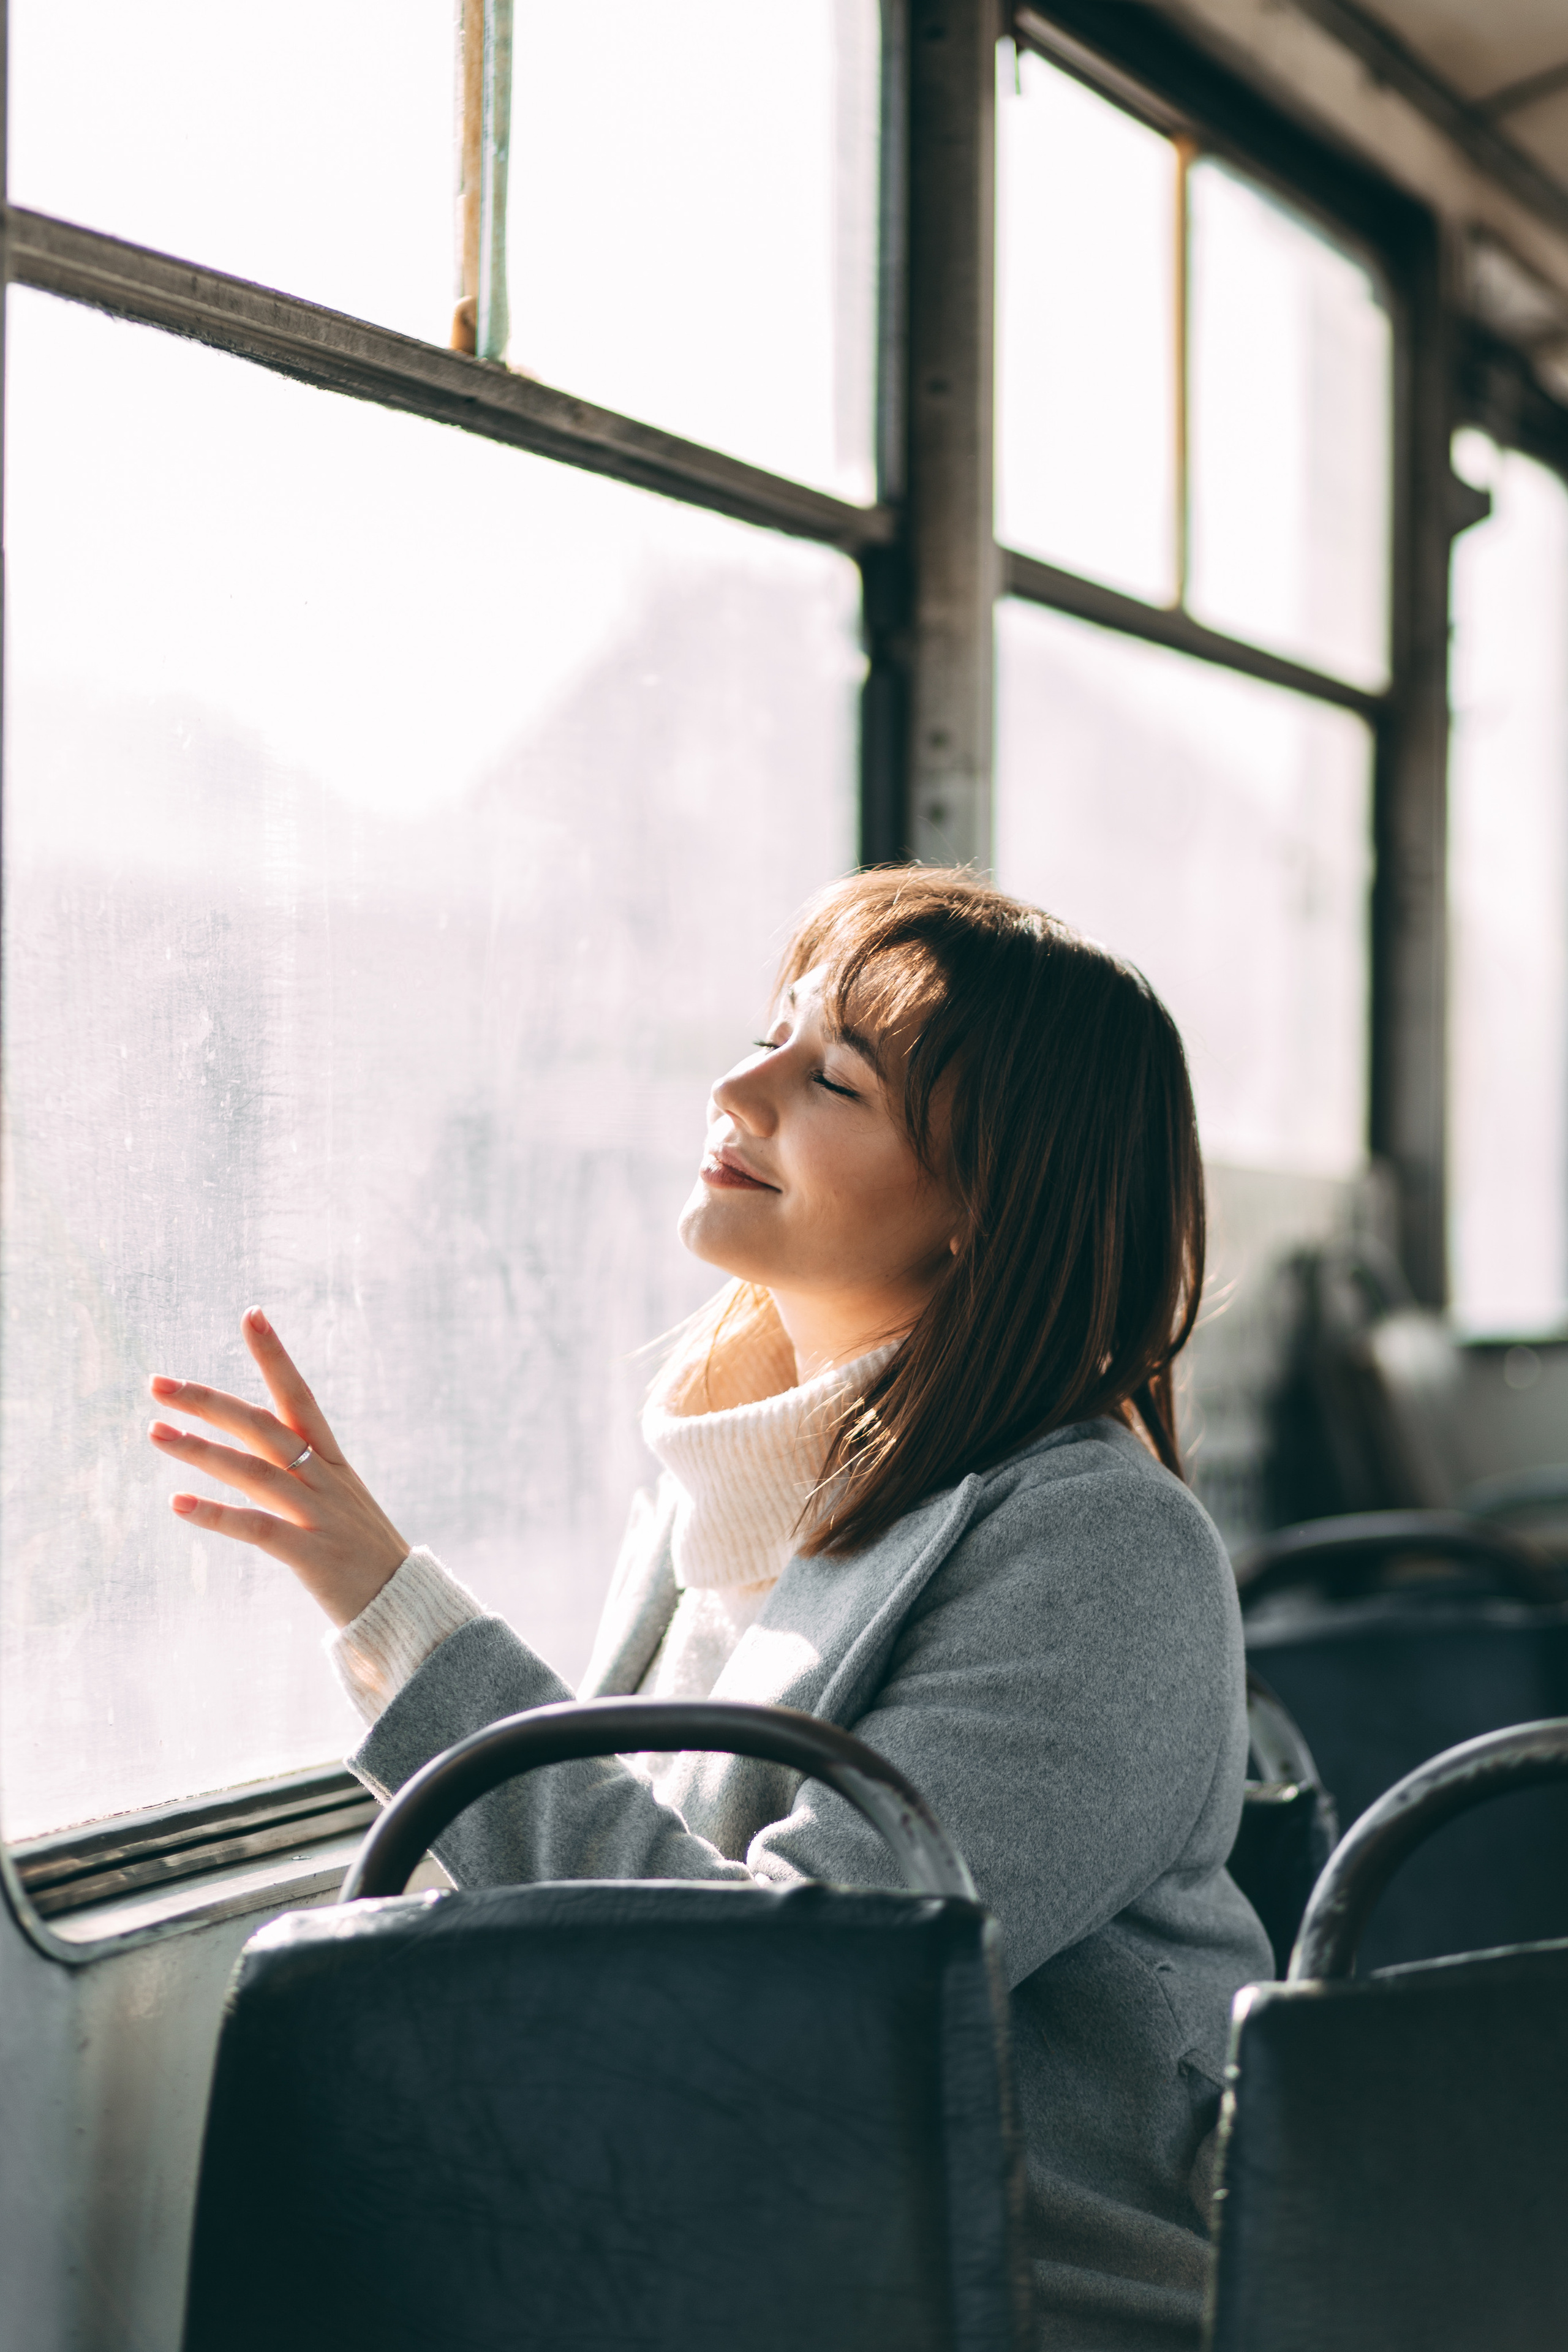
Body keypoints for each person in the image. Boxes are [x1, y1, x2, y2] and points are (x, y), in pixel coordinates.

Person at [146, 866, 1270, 2349]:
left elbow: (774, 1994)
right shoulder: (709, 1500)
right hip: (705, 2263)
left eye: (832, 1081)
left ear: (980, 1211)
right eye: (766, 1035)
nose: (736, 1087)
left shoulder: (1103, 1551)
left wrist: (395, 1610)